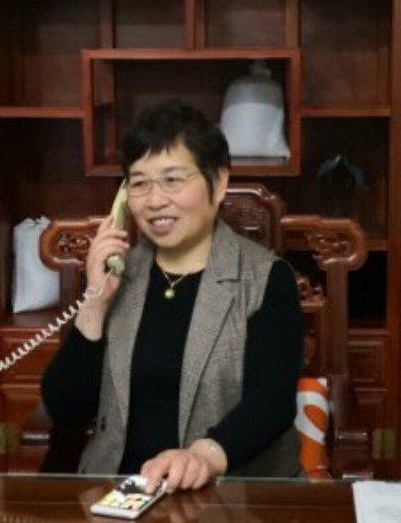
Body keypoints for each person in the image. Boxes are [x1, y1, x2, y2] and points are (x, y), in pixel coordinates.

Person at [42, 99, 304, 492]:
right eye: (139, 183)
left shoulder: (265, 279)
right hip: (118, 492)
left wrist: (204, 456)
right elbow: (64, 408)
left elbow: (271, 401)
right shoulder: (120, 274)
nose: (154, 200)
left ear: (218, 183)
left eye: (172, 180)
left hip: (223, 501)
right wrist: (94, 303)